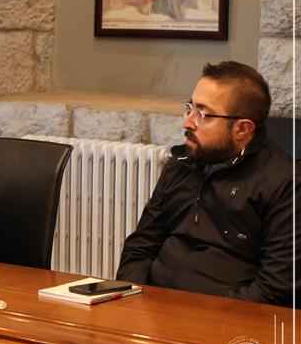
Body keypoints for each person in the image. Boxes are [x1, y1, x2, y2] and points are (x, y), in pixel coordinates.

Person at [117, 61, 296, 306]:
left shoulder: (284, 185)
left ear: (242, 129)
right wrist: (132, 302)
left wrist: (202, 317)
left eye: (202, 114)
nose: (188, 122)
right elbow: (139, 247)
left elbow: (274, 290)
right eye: (190, 108)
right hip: (153, 308)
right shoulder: (182, 164)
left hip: (224, 319)